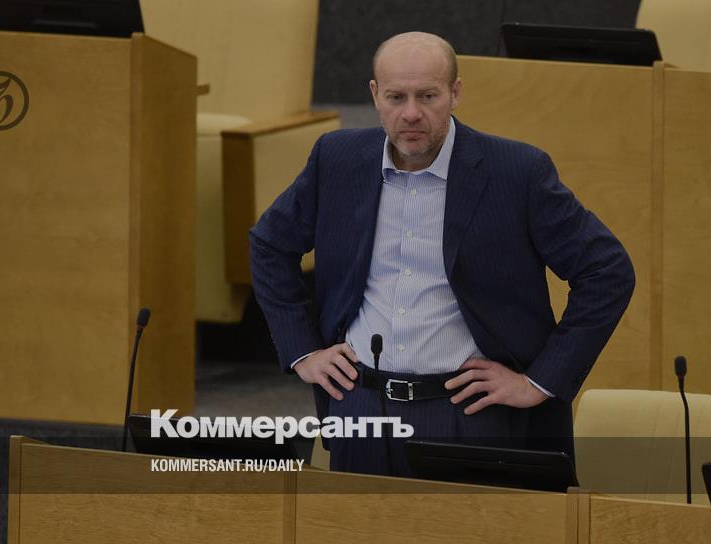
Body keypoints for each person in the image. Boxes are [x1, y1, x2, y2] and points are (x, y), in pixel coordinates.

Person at [249, 32, 634, 476]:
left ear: (455, 92)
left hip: (470, 414)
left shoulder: (516, 172)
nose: (411, 113)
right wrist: (304, 352)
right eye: (396, 97)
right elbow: (269, 244)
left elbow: (607, 270)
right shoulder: (336, 159)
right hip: (361, 407)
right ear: (375, 95)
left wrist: (539, 381)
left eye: (428, 96)